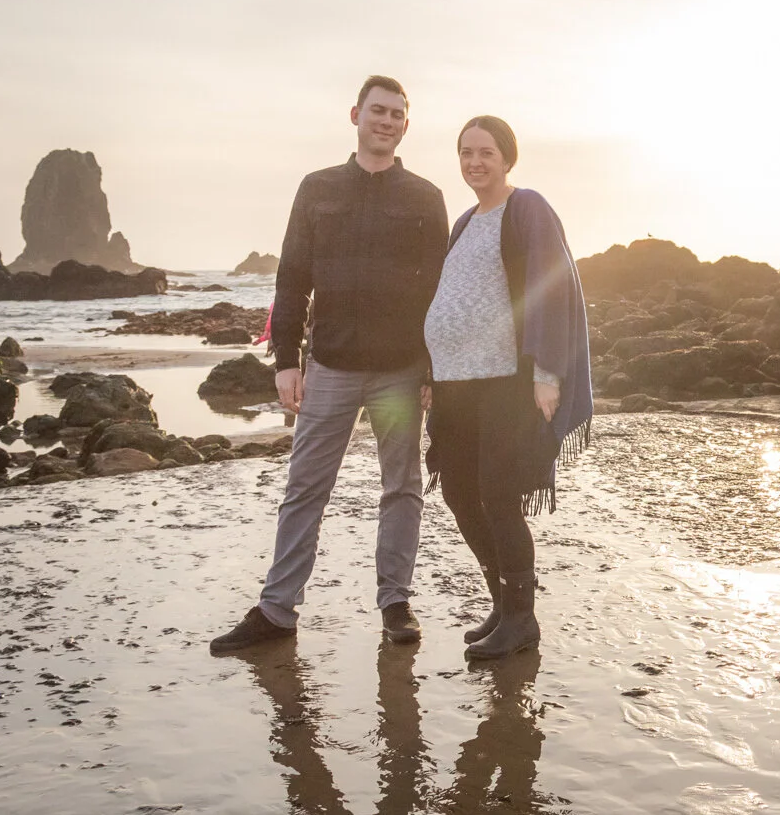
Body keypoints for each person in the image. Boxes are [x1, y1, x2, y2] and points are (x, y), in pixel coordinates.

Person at [210, 75, 449, 651]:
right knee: (305, 488)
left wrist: (433, 371)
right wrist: (286, 359)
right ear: (355, 115)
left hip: (400, 371)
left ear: (406, 126)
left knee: (402, 487)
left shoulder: (425, 197)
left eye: (397, 114)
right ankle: (277, 610)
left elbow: (439, 290)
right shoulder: (317, 189)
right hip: (331, 365)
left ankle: (396, 602)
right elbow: (292, 276)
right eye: (377, 111)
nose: (386, 121)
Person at [422, 115, 591, 661]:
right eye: (466, 152)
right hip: (454, 383)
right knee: (457, 491)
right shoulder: (466, 220)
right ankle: (502, 601)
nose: (475, 162)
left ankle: (522, 619)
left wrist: (546, 374)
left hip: (503, 380)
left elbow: (550, 281)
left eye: (486, 152)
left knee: (497, 495)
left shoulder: (527, 207)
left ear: (507, 157)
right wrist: (430, 371)